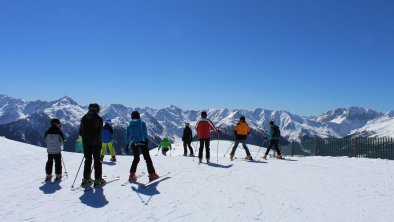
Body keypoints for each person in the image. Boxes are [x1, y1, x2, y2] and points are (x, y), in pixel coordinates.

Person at [125, 111, 159, 182]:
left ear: (131, 117)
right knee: (147, 159)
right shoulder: (142, 123)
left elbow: (127, 136)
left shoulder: (129, 125)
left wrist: (127, 144)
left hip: (134, 143)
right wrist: (146, 139)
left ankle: (132, 175)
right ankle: (152, 174)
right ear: (138, 116)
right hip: (142, 142)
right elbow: (144, 132)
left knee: (136, 159)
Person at [79, 103, 105, 186]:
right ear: (97, 109)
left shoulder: (84, 118)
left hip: (86, 143)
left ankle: (86, 179)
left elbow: (80, 132)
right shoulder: (98, 119)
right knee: (97, 161)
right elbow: (99, 132)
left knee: (88, 160)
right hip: (96, 143)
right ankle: (97, 179)